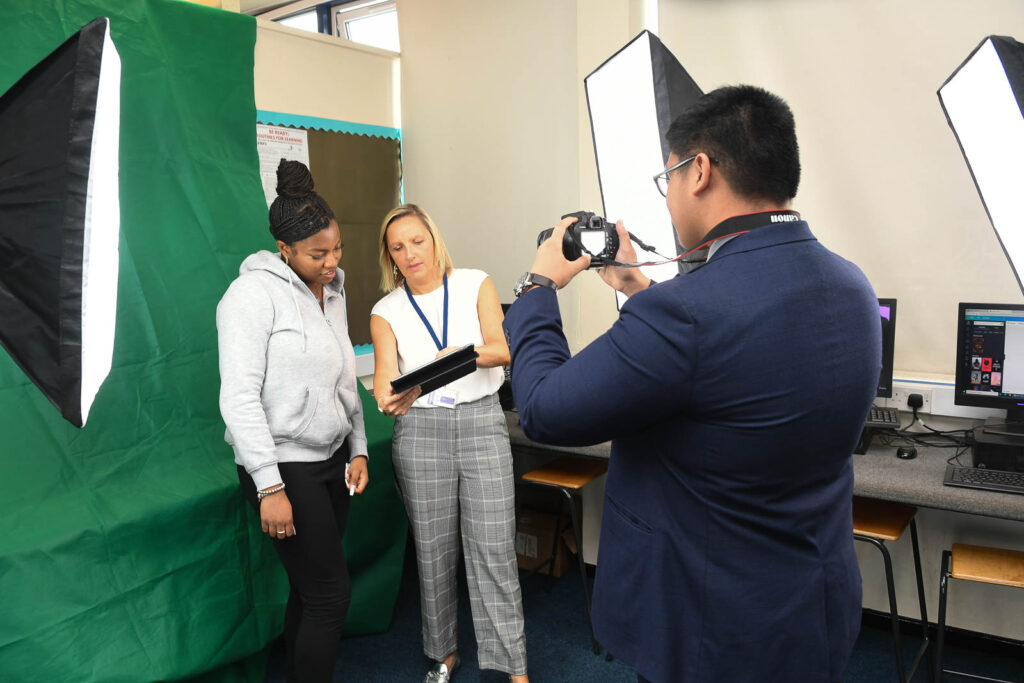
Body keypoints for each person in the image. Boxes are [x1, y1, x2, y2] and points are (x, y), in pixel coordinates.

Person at [503, 86, 879, 683]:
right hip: (811, 603)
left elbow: (547, 410)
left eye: (668, 178)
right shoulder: (852, 286)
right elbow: (730, 369)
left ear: (698, 170)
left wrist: (537, 287)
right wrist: (635, 287)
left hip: (710, 625)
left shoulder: (687, 313)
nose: (671, 196)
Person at [217, 159, 369, 683]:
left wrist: (360, 448)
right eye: (318, 254)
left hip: (331, 461)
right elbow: (238, 398)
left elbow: (344, 377)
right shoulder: (250, 296)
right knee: (330, 595)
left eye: (337, 249)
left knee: (312, 592)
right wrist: (269, 487)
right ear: (285, 249)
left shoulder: (333, 288)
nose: (332, 262)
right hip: (283, 467)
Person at [370, 204, 529, 683]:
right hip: (420, 431)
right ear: (390, 258)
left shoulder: (475, 282)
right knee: (434, 552)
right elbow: (383, 380)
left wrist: (461, 358)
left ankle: (512, 665)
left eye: (417, 241)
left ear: (434, 240)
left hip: (481, 422)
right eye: (398, 247)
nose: (410, 253)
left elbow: (502, 350)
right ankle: (443, 653)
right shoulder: (385, 310)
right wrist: (389, 397)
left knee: (495, 548)